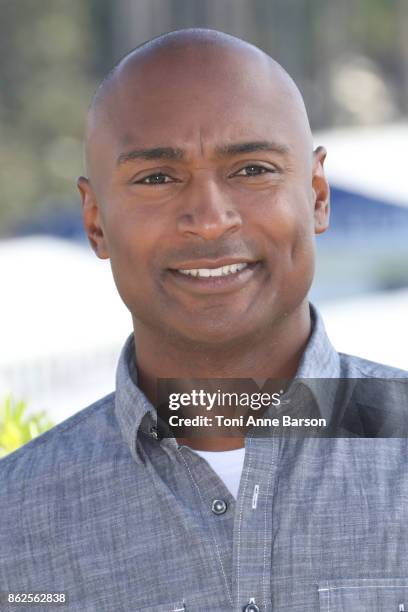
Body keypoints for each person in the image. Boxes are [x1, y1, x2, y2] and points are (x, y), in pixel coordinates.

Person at [1, 28, 407, 612]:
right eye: (157, 179)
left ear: (318, 194)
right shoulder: (12, 528)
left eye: (252, 169)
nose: (211, 220)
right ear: (95, 222)